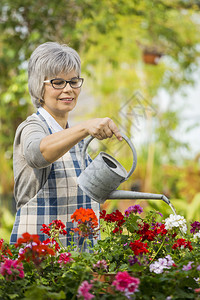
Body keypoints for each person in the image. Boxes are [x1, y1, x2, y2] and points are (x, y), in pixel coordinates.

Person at [10, 42, 122, 248]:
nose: (68, 89)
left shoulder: (75, 139)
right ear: (39, 86)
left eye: (73, 81)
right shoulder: (32, 127)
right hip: (38, 257)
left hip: (78, 260)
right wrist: (84, 128)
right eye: (58, 82)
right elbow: (37, 154)